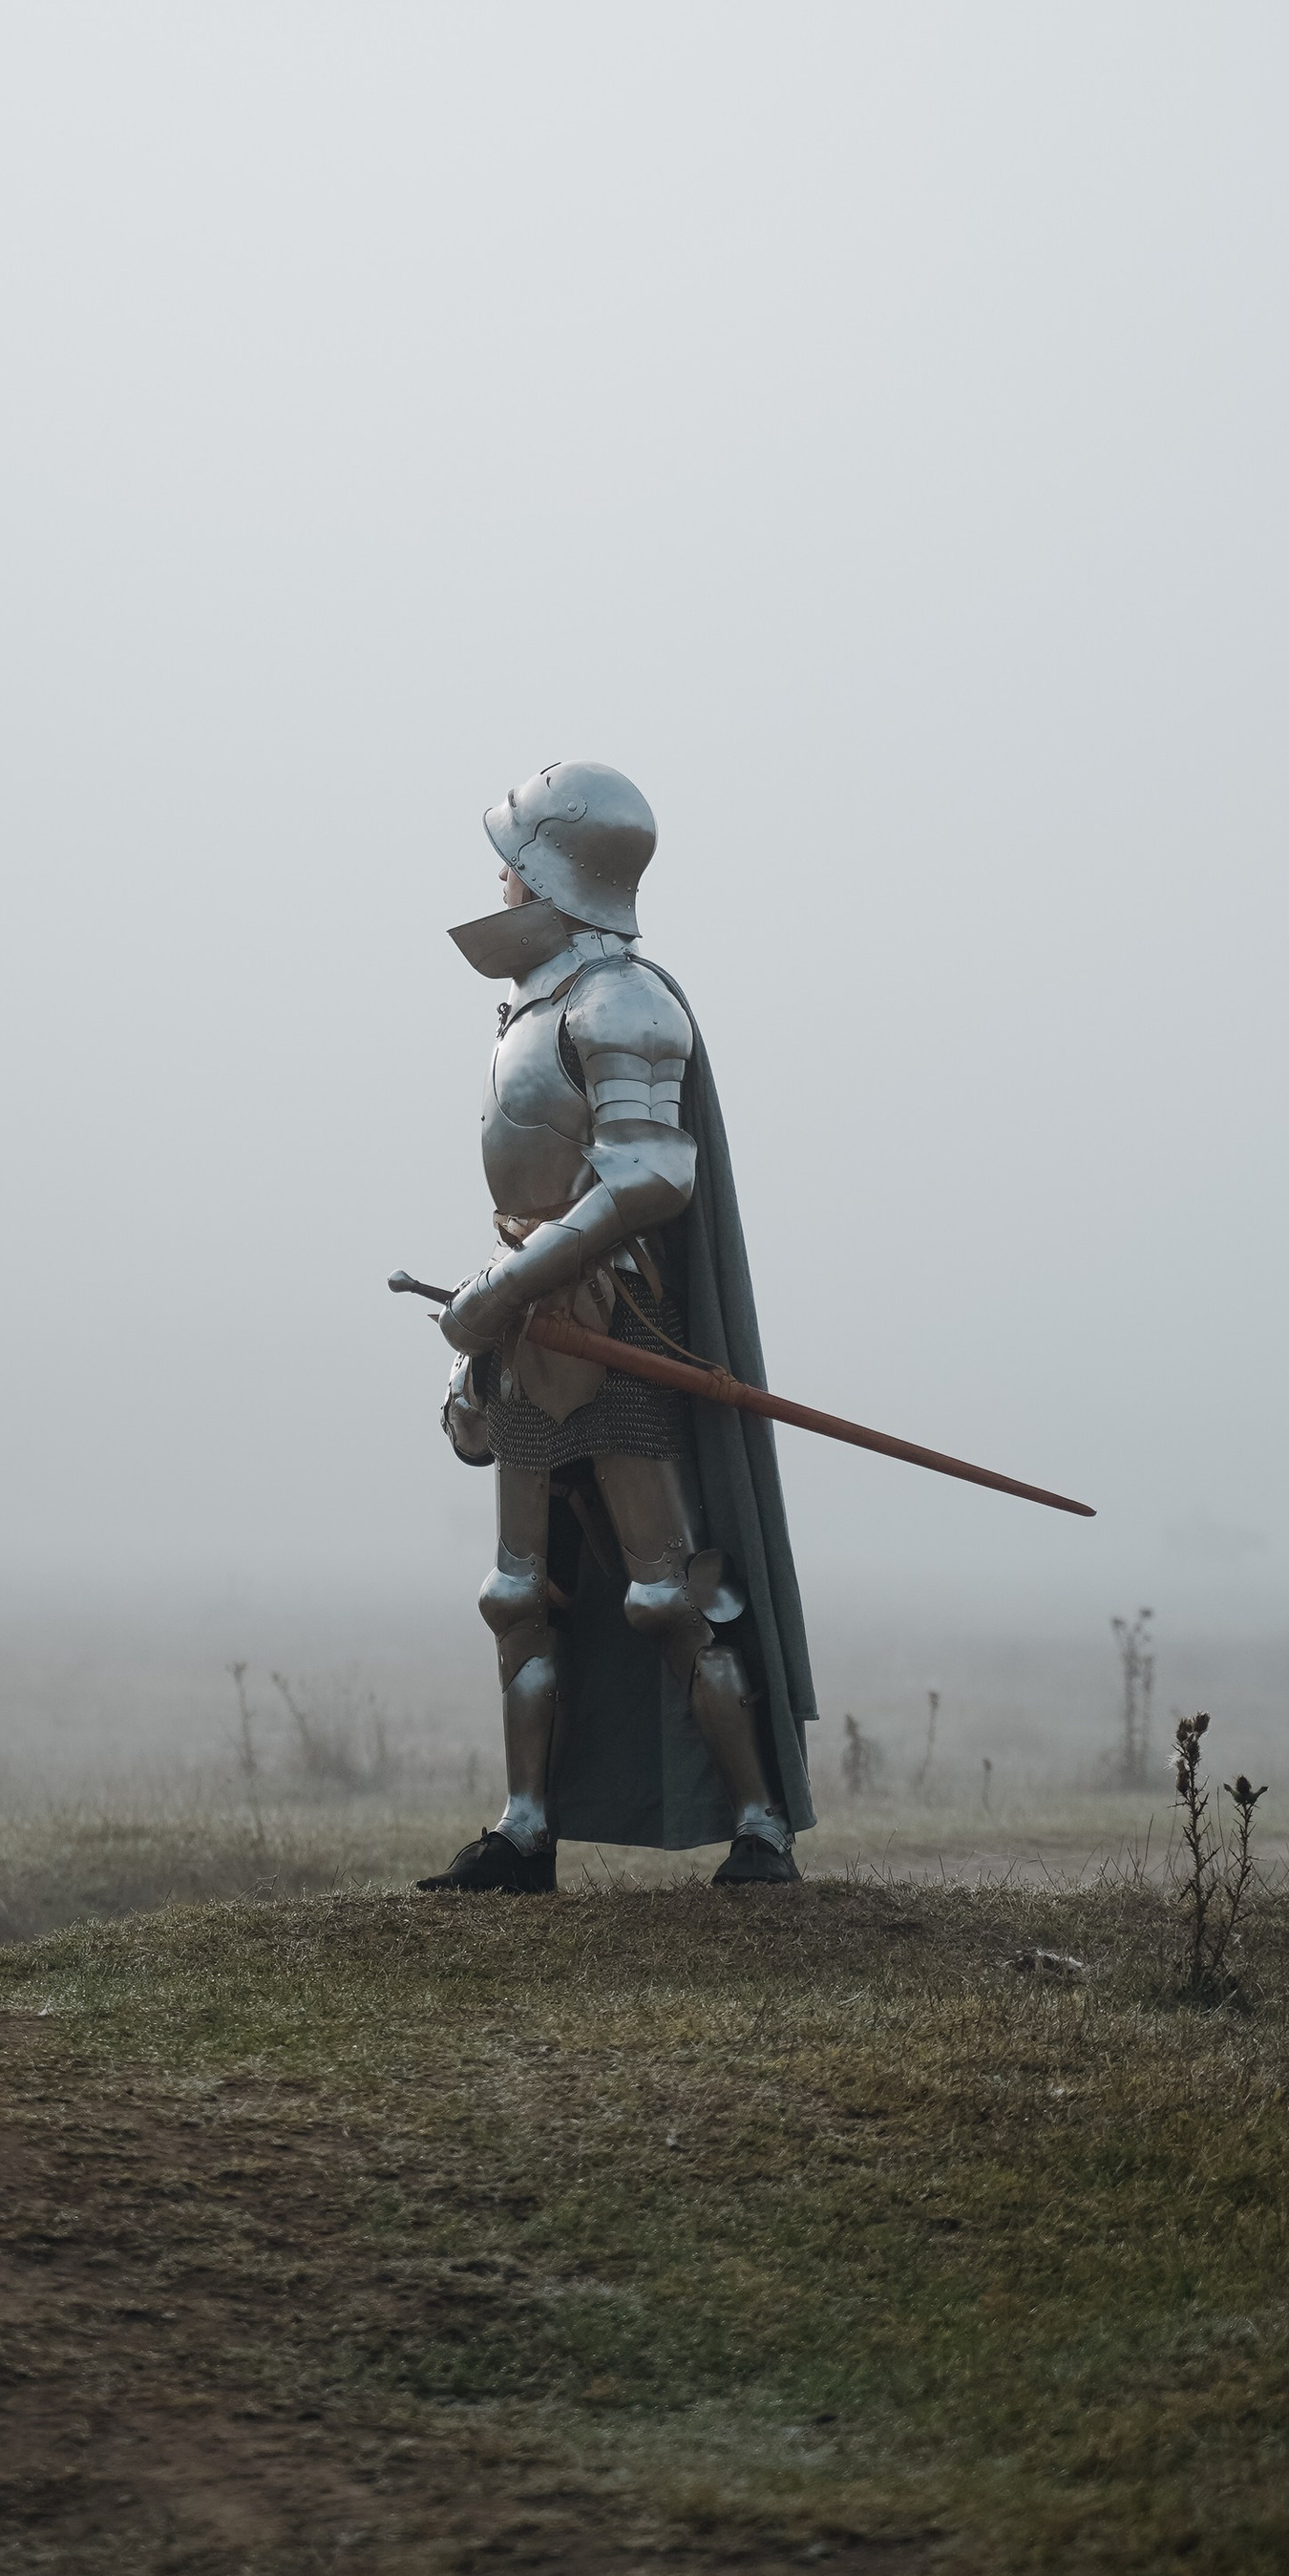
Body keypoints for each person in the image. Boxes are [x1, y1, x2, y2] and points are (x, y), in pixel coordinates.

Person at [419, 762, 816, 1894]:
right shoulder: (537, 1001)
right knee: (516, 1591)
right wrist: (498, 1294)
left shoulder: (622, 1003)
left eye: (513, 864)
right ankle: (525, 1827)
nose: (497, 882)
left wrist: (505, 1292)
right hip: (532, 1318)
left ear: (555, 874)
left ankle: (758, 1828)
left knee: (666, 1590)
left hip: (612, 1317)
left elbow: (647, 1180)